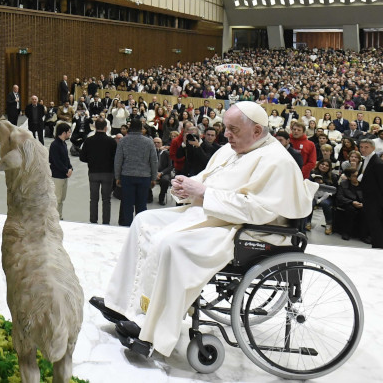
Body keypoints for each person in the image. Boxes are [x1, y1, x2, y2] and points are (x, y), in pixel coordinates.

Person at [89, 102, 316, 359]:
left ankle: (150, 327)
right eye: (226, 128)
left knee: (171, 244)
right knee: (143, 221)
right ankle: (120, 303)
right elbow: (207, 177)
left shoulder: (278, 161)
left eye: (233, 129)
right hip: (211, 213)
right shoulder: (234, 149)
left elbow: (260, 210)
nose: (226, 134)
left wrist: (204, 194)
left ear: (256, 130)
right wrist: (185, 185)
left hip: (243, 229)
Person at [114, 118, 158, 227]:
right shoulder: (148, 142)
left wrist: (117, 176)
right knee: (141, 205)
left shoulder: (123, 141)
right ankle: (140, 229)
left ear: (129, 128)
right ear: (141, 129)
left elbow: (118, 160)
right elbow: (154, 161)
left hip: (127, 176)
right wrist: (154, 177)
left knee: (127, 205)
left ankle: (127, 228)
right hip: (144, 177)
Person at [81, 118, 117, 225]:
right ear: (106, 128)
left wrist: (91, 160)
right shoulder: (111, 141)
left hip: (93, 172)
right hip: (108, 173)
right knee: (106, 199)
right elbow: (116, 158)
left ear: (95, 127)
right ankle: (106, 222)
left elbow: (82, 157)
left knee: (93, 199)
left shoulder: (88, 140)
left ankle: (93, 220)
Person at [357, 136, 383, 248]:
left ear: (373, 148)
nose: (363, 149)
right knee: (372, 226)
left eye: (366, 147)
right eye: (361, 147)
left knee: (376, 226)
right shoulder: (366, 160)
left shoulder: (377, 163)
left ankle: (378, 248)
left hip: (376, 201)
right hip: (369, 199)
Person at [334, 168, 365, 241]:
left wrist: (363, 203)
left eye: (357, 175)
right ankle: (346, 232)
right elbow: (340, 197)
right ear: (349, 177)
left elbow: (368, 196)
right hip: (347, 203)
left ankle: (364, 235)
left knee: (366, 211)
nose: (357, 177)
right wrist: (352, 202)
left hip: (361, 203)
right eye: (354, 176)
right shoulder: (343, 183)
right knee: (351, 210)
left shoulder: (363, 184)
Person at [49, 122, 73, 216]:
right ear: (64, 133)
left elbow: (66, 158)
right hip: (57, 176)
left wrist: (70, 168)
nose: (70, 134)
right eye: (69, 132)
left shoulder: (64, 144)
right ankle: (54, 218)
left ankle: (59, 215)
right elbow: (56, 161)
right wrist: (66, 170)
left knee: (62, 198)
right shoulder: (54, 145)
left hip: (64, 175)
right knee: (57, 198)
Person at [154, 137, 172, 206]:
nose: (156, 144)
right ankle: (148, 195)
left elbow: (170, 166)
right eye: (154, 142)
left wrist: (161, 173)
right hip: (152, 172)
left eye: (158, 142)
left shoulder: (167, 153)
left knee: (165, 180)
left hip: (164, 172)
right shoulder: (150, 153)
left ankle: (161, 197)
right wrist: (154, 173)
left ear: (162, 144)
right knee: (145, 177)